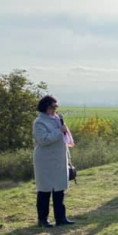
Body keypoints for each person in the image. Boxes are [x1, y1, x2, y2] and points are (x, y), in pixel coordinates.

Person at [33, 95, 75, 227]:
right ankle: (43, 219)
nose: (55, 109)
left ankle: (60, 218)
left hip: (59, 159)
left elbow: (64, 140)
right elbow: (43, 140)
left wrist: (68, 159)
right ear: (46, 107)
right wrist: (59, 131)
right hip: (45, 161)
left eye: (56, 106)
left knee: (59, 190)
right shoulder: (39, 122)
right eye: (53, 107)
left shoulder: (57, 119)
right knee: (45, 191)